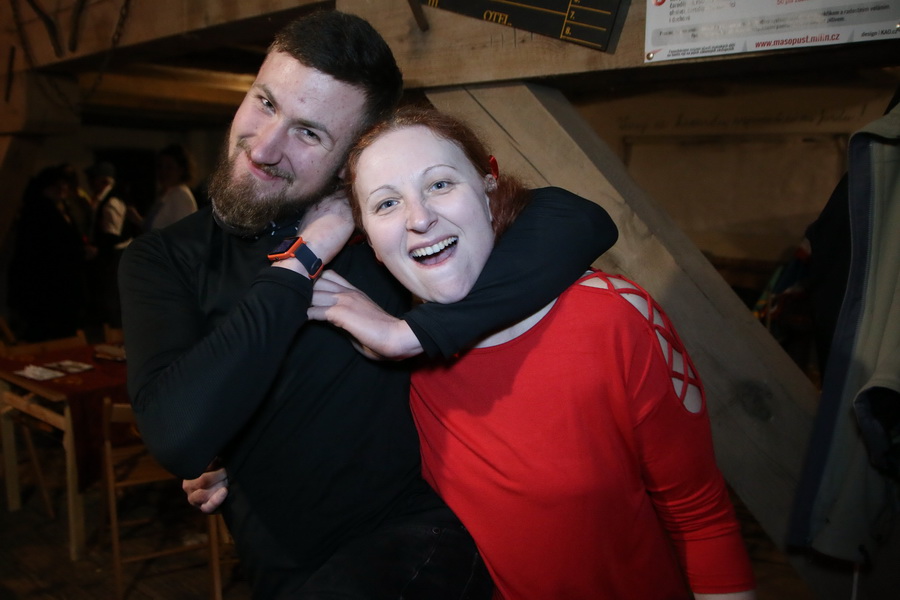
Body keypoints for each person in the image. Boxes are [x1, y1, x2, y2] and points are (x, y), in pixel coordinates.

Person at [119, 10, 617, 599]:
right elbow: (177, 434)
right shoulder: (164, 259)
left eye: (310, 133)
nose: (266, 146)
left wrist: (411, 335)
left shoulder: (386, 231)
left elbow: (578, 219)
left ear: (350, 156)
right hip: (283, 570)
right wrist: (302, 260)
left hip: (424, 545)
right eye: (265, 102)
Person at [301, 106, 758, 599]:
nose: (419, 218)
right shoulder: (384, 359)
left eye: (440, 184)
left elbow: (700, 517)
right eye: (387, 203)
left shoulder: (611, 318)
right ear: (368, 239)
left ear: (488, 186)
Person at [7, 165, 88, 341]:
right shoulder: (39, 211)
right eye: (59, 185)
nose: (63, 189)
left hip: (62, 281)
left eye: (65, 184)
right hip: (48, 283)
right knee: (50, 330)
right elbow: (40, 249)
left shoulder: (62, 208)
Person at [84, 161, 133, 328]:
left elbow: (112, 235)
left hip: (116, 256)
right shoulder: (104, 200)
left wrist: (97, 250)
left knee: (111, 298)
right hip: (113, 255)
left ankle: (114, 333)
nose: (90, 183)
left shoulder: (112, 201)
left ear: (104, 181)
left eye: (93, 178)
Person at [128, 143, 199, 231]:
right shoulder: (167, 194)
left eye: (169, 167)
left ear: (181, 170)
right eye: (160, 166)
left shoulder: (180, 195)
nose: (163, 172)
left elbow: (182, 233)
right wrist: (137, 220)